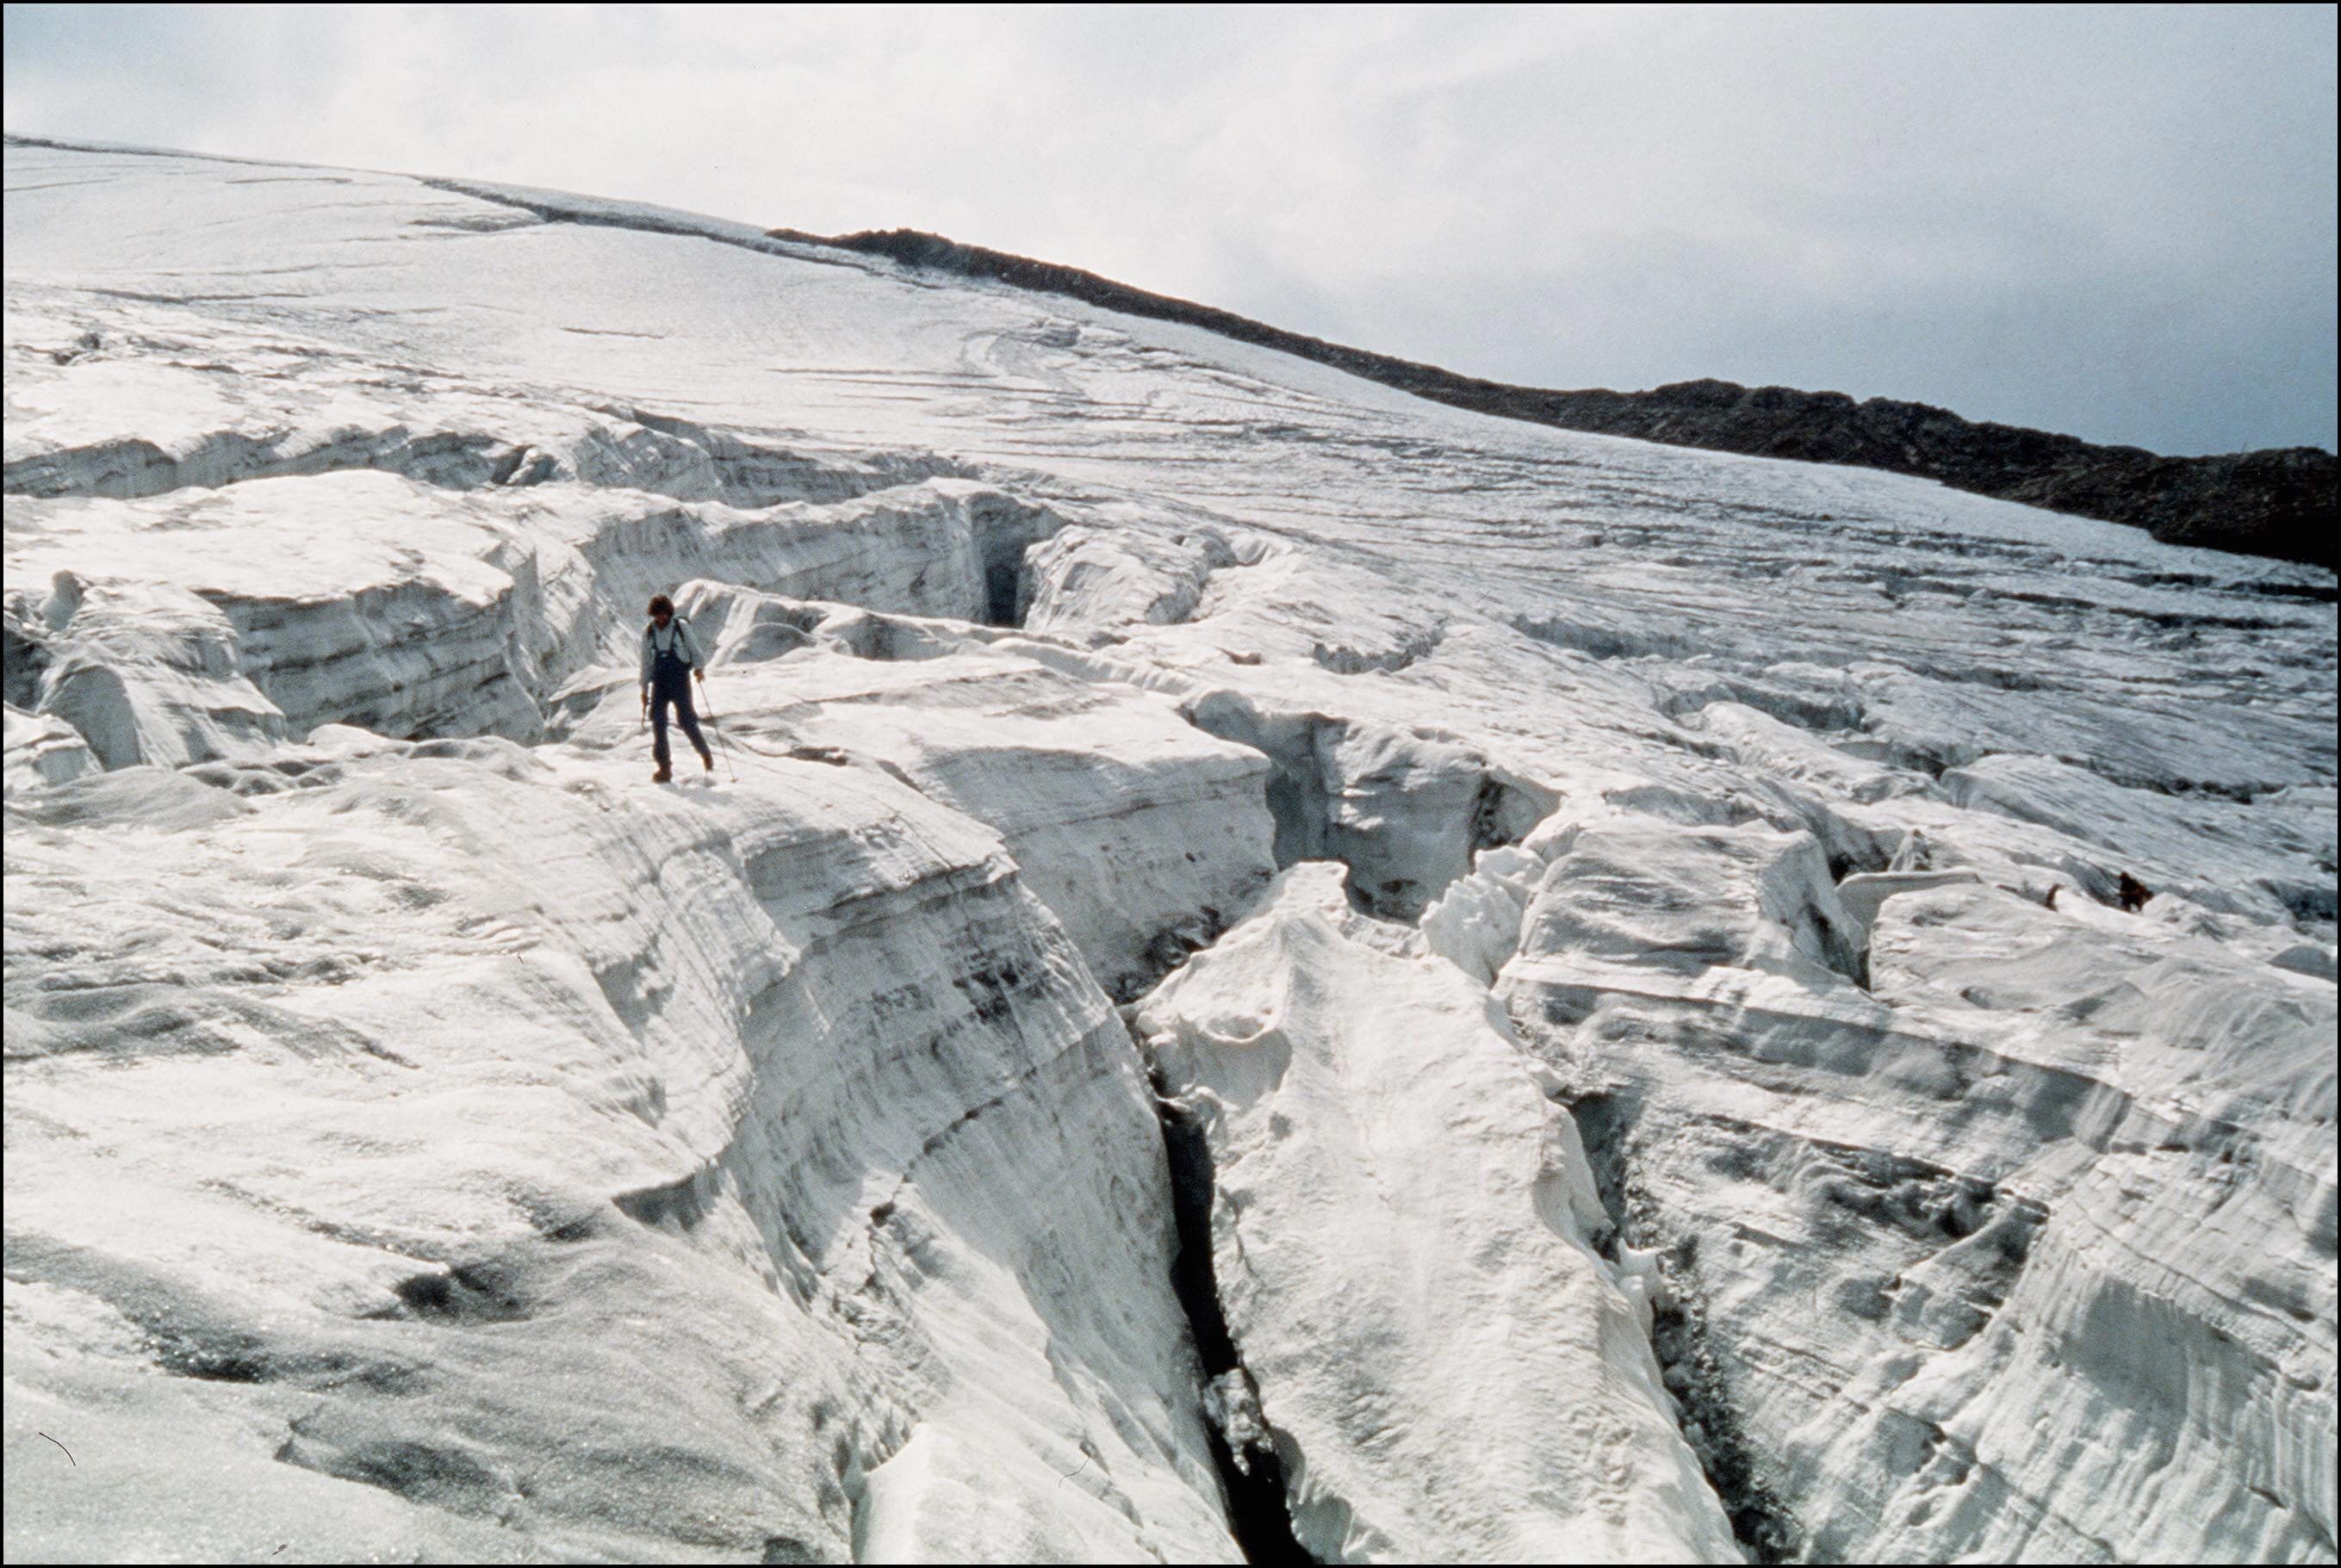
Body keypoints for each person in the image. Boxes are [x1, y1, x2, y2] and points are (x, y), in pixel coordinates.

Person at [640, 593, 713, 782]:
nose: (661, 618)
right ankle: (664, 768)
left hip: (680, 679)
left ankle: (705, 753)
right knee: (658, 722)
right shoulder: (648, 632)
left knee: (686, 720)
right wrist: (644, 689)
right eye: (658, 615)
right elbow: (646, 662)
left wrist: (699, 668)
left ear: (669, 612)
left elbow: (694, 648)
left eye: (664, 614)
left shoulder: (681, 627)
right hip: (660, 682)